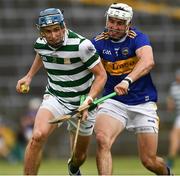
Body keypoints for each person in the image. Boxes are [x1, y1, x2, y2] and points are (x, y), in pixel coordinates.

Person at [16, 8, 107, 175]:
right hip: (56, 98)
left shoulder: (82, 46)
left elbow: (101, 76)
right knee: (37, 136)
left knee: (79, 157)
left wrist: (88, 100)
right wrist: (28, 76)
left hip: (82, 103)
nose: (53, 35)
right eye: (47, 31)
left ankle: (73, 169)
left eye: (56, 29)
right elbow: (42, 54)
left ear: (63, 27)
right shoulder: (41, 42)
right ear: (41, 31)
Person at [91, 3, 173, 175]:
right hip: (114, 101)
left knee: (149, 161)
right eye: (111, 21)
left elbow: (148, 61)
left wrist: (127, 81)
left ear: (128, 24)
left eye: (120, 23)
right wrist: (88, 97)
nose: (114, 26)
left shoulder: (138, 38)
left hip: (143, 102)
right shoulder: (97, 43)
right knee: (102, 139)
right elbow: (91, 72)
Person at [166, 69, 180, 169]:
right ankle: (170, 160)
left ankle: (170, 161)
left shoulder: (174, 86)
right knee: (174, 137)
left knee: (174, 136)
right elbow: (170, 104)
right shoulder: (174, 86)